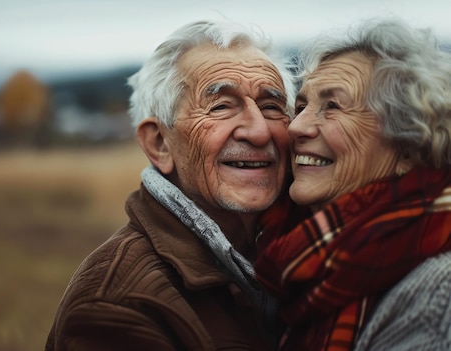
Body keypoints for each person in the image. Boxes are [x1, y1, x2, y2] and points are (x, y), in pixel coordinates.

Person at [46, 20, 300, 350]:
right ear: (159, 144)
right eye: (221, 106)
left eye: (271, 107)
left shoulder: (309, 255)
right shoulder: (117, 307)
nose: (259, 131)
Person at [254, 18, 451, 351]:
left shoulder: (438, 294)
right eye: (300, 107)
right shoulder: (289, 260)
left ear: (408, 145)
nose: (296, 127)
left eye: (332, 106)